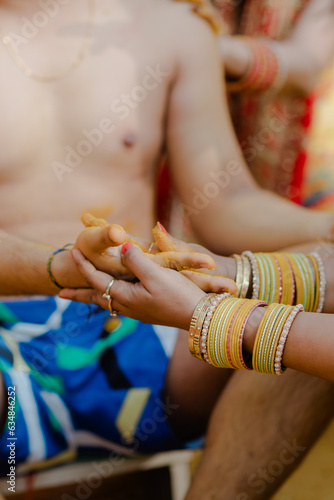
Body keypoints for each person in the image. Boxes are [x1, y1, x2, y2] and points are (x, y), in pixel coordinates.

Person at [0, 0, 334, 496]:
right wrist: (65, 266)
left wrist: (326, 229)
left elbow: (226, 203)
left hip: (143, 321)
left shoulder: (173, 26)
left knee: (315, 277)